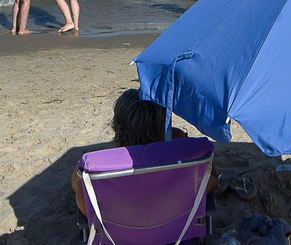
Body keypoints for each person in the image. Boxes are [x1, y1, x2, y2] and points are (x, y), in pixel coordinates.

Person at [73, 88, 219, 215]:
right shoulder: (180, 165)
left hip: (119, 239)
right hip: (176, 235)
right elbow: (212, 182)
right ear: (164, 127)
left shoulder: (98, 167)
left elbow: (84, 203)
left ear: (117, 128)